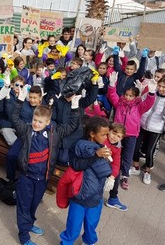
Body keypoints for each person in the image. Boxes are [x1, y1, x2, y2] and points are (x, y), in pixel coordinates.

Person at [12, 85, 80, 245]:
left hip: (42, 178)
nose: (36, 123)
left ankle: (29, 224)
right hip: (26, 178)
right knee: (24, 206)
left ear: (48, 122)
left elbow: (71, 126)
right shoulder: (26, 131)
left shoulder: (54, 132)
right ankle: (24, 236)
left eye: (40, 121)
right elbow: (14, 118)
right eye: (35, 120)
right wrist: (20, 101)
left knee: (34, 204)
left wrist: (75, 108)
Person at [59, 117, 112, 245]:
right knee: (73, 225)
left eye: (107, 134)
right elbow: (77, 165)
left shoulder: (101, 146)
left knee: (91, 224)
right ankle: (66, 242)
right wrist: (96, 156)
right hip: (80, 196)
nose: (106, 137)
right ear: (92, 134)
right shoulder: (80, 146)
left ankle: (89, 241)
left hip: (96, 197)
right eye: (103, 135)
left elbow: (107, 170)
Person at [107, 71, 156, 190]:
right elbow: (112, 95)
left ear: (135, 96)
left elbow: (148, 104)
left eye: (131, 96)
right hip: (118, 134)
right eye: (126, 95)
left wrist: (151, 92)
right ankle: (112, 173)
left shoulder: (138, 107)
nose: (128, 97)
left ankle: (124, 176)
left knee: (127, 156)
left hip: (131, 135)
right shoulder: (119, 103)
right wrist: (112, 85)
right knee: (115, 154)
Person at [131, 76, 165, 185]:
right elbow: (141, 103)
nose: (160, 89)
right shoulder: (152, 93)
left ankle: (147, 171)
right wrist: (141, 92)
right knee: (136, 146)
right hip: (142, 124)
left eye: (164, 87)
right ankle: (136, 167)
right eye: (159, 86)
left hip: (156, 128)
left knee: (149, 151)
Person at [104, 123, 127, 211]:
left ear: (121, 138)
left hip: (105, 165)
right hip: (94, 163)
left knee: (116, 174)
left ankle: (113, 199)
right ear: (109, 131)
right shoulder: (103, 138)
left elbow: (116, 163)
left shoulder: (117, 147)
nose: (114, 137)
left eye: (118, 136)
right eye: (113, 133)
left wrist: (112, 177)